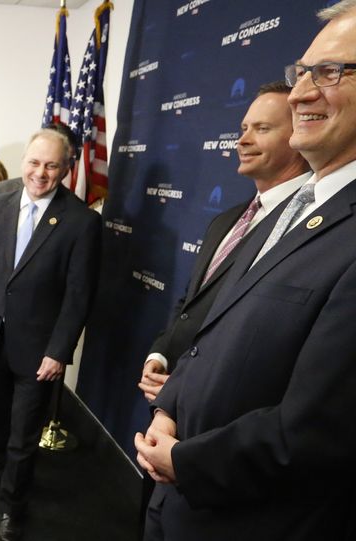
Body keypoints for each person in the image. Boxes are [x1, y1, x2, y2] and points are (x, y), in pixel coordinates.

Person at [136, 2, 356, 539]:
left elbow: (320, 431)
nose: (303, 92)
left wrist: (188, 462)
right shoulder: (293, 207)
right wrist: (169, 407)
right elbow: (211, 333)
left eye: (330, 72)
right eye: (301, 73)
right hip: (178, 505)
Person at [139, 82, 311, 403]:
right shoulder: (225, 221)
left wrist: (188, 389)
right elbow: (192, 303)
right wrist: (160, 355)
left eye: (262, 128)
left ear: (300, 135)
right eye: (244, 128)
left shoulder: (305, 228)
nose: (243, 140)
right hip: (171, 401)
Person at [0, 129, 101, 541]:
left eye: (50, 165)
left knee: (24, 434)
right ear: (23, 160)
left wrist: (59, 351)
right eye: (33, 162)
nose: (39, 173)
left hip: (38, 352)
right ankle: (4, 473)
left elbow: (78, 297)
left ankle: (12, 507)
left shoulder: (81, 221)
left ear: (65, 169)